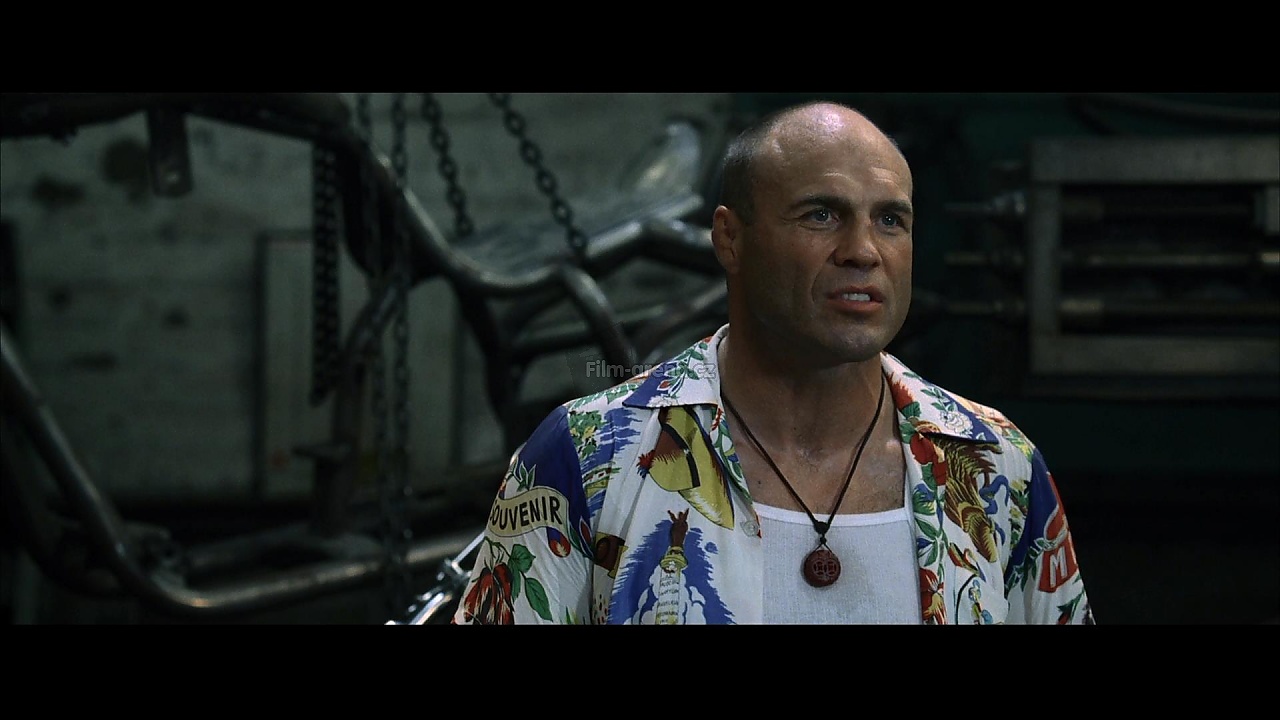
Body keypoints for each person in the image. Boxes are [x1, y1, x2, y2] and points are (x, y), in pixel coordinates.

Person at [451, 99, 1094, 624]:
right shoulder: (591, 455)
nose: (863, 250)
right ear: (730, 238)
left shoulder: (992, 465)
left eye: (890, 220)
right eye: (822, 214)